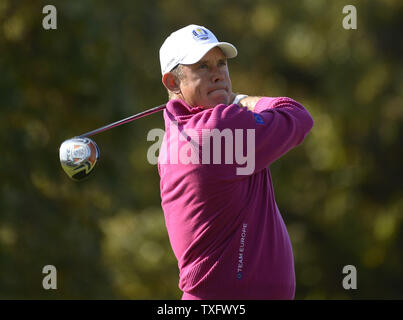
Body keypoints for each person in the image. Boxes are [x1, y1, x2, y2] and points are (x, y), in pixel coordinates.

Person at [157, 24, 314, 300]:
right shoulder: (219, 127)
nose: (218, 74)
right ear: (173, 82)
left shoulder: (173, 138)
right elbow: (298, 116)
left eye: (221, 63)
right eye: (202, 67)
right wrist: (242, 100)